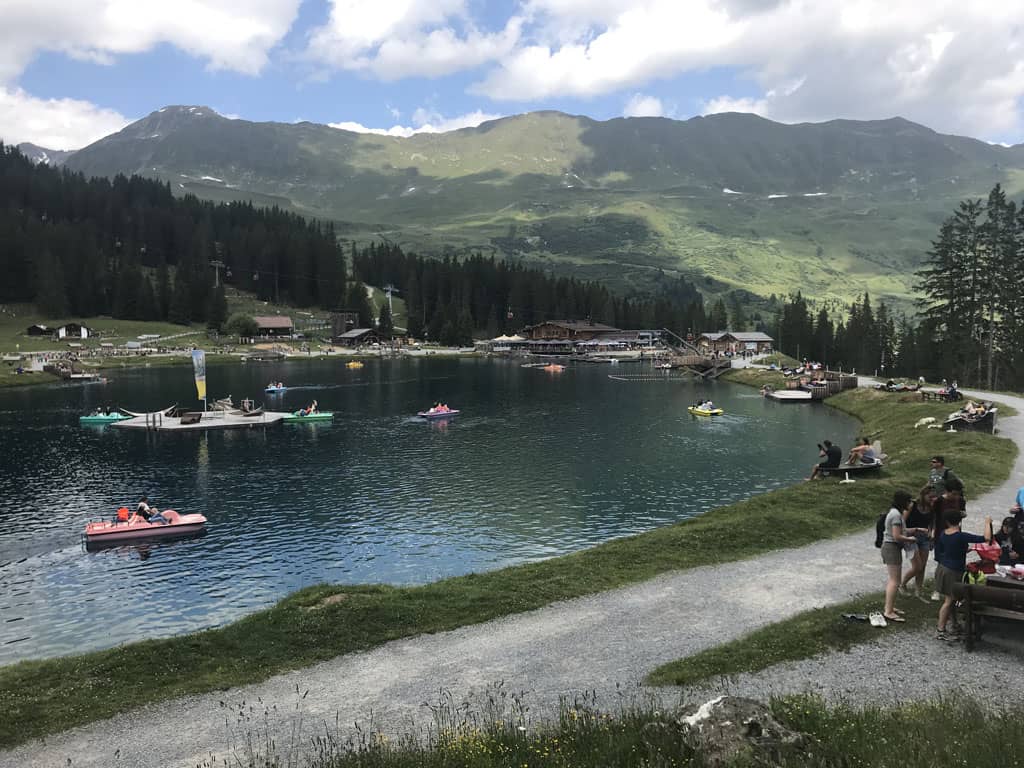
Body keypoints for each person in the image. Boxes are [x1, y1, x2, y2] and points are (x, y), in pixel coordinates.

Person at [934, 510, 993, 641]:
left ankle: (954, 624)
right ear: (959, 521)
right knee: (948, 601)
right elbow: (986, 538)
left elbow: (947, 550)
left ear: (947, 522)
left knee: (952, 598)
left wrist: (964, 550)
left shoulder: (944, 534)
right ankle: (940, 629)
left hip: (943, 568)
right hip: (953, 571)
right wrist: (987, 522)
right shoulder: (961, 536)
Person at [881, 490, 923, 623]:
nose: (911, 504)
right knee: (895, 581)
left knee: (894, 580)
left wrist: (916, 529)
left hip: (892, 548)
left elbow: (901, 531)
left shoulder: (895, 513)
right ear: (903, 502)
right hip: (891, 548)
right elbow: (897, 536)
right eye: (909, 501)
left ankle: (890, 607)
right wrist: (911, 540)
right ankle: (888, 611)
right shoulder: (896, 515)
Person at [900, 489, 936, 600]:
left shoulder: (932, 507)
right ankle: (902, 584)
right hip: (911, 537)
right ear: (923, 495)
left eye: (933, 497)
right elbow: (901, 524)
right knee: (917, 566)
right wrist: (912, 531)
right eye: (930, 497)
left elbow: (933, 523)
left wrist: (932, 532)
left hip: (925, 538)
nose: (932, 499)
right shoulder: (912, 505)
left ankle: (918, 590)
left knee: (923, 566)